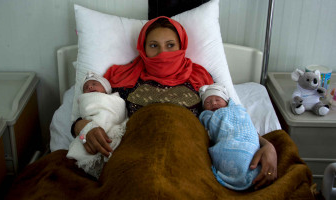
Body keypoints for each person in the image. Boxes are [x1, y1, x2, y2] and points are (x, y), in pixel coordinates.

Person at [72, 16, 277, 189]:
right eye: (154, 46)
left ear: (182, 47)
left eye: (170, 45)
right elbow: (95, 111)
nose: (163, 53)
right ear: (142, 48)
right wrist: (84, 128)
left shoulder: (200, 79)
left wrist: (267, 145)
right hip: (136, 155)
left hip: (189, 156)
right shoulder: (122, 78)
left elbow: (229, 120)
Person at [199, 83, 261, 190]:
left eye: (218, 100)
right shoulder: (208, 116)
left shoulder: (237, 110)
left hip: (245, 140)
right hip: (226, 143)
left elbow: (246, 125)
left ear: (227, 102)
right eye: (208, 102)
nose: (213, 103)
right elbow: (209, 130)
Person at [67, 71, 127, 179]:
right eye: (86, 87)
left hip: (118, 135)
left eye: (94, 84)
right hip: (87, 134)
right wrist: (82, 133)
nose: (90, 86)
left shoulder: (116, 99)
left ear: (106, 88)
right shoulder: (85, 100)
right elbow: (80, 123)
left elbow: (120, 113)